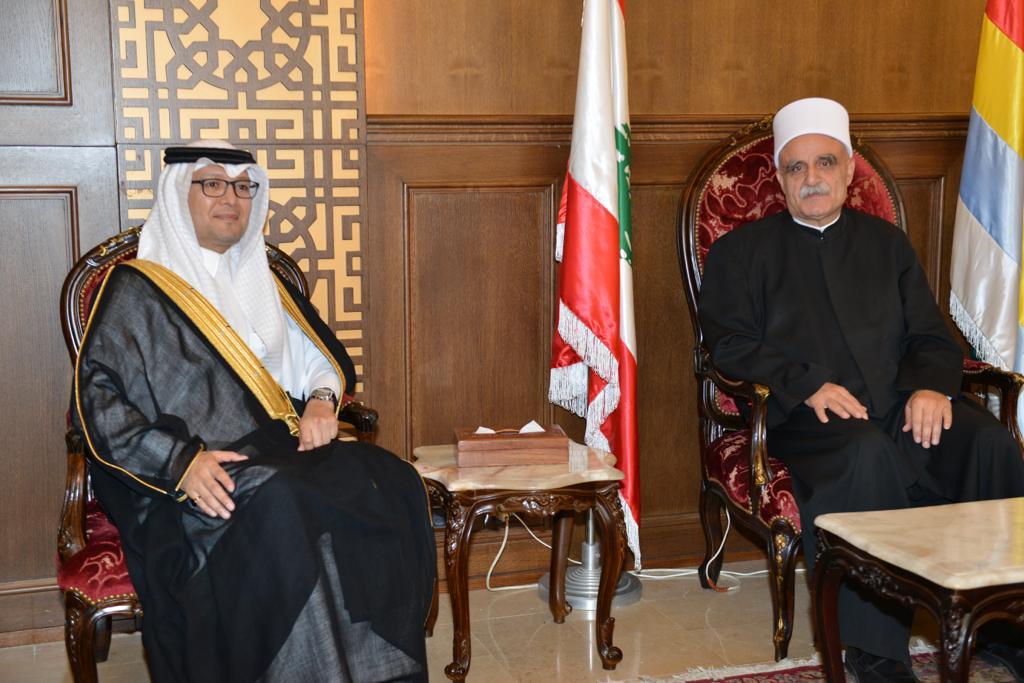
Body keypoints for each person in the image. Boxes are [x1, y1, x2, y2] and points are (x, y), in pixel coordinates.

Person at [72, 141, 435, 683]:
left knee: (391, 481)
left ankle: (367, 668)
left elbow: (319, 360)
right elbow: (97, 402)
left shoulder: (263, 280)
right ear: (178, 194)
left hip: (278, 447)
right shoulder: (136, 288)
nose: (231, 198)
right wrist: (180, 463)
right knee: (284, 504)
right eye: (213, 184)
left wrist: (322, 401)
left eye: (243, 187)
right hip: (192, 471)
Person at [698, 97, 1024, 682]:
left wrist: (929, 388)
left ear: (849, 171)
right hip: (809, 420)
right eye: (797, 167)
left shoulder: (887, 244)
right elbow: (730, 346)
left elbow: (930, 336)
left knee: (989, 444)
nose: (812, 178)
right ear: (780, 179)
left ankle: (1003, 628)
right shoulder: (740, 254)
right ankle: (875, 653)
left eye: (826, 163)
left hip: (900, 406)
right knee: (864, 453)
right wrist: (807, 385)